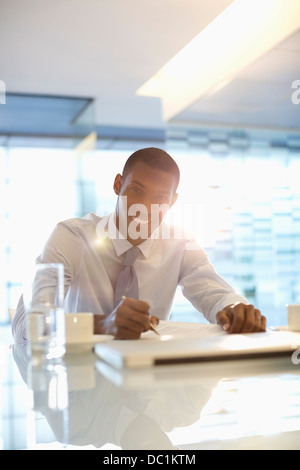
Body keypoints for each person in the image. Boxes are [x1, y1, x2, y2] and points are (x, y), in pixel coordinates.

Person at [12, 147, 266, 342]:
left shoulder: (181, 244)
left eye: (160, 197)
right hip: (80, 381)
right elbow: (28, 326)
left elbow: (214, 292)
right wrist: (102, 325)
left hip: (146, 382)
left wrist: (233, 309)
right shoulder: (71, 237)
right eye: (136, 189)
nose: (144, 208)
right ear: (117, 184)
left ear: (173, 201)